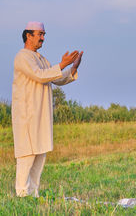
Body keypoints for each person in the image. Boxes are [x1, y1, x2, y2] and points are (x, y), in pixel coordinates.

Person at [11, 21, 83, 197]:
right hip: (26, 115)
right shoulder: (22, 57)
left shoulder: (41, 59)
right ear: (28, 35)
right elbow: (40, 75)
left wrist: (72, 68)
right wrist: (61, 64)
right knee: (27, 155)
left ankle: (33, 194)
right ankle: (21, 194)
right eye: (40, 34)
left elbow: (55, 79)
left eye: (44, 34)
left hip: (41, 115)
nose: (43, 38)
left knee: (40, 154)